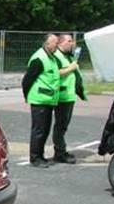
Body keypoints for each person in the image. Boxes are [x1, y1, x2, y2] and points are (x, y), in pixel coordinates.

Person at [21, 33, 77, 168]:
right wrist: (28, 96)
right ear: (47, 44)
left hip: (48, 100)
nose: (56, 45)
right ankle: (35, 158)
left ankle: (40, 156)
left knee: (44, 130)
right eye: (54, 43)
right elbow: (27, 80)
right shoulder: (39, 58)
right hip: (40, 99)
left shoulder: (50, 57)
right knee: (39, 130)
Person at [52, 34, 87, 164]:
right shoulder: (56, 56)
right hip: (62, 96)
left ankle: (61, 150)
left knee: (64, 125)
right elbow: (56, 72)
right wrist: (70, 68)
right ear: (61, 42)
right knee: (60, 126)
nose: (72, 43)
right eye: (69, 41)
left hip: (69, 95)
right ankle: (59, 153)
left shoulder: (68, 56)